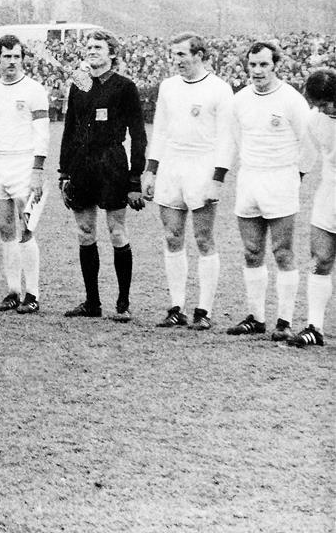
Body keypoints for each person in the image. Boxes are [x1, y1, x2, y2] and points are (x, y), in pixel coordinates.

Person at [141, 33, 235, 330]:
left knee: (204, 239)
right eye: (174, 55)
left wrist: (217, 179)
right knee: (172, 237)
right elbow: (161, 131)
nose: (177, 60)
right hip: (172, 165)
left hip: (203, 166)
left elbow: (226, 139)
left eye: (182, 54)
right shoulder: (168, 87)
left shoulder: (220, 89)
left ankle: (204, 309)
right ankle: (176, 306)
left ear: (199, 54)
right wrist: (150, 170)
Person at [225, 41, 314, 341]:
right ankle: (256, 317)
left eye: (264, 64)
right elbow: (236, 139)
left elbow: (309, 145)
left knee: (283, 252)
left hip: (281, 180)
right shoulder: (239, 101)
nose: (258, 71)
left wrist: (293, 177)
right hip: (249, 179)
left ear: (276, 65)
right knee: (251, 252)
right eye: (253, 65)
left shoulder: (291, 100)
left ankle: (284, 320)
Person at [59, 30, 147, 321]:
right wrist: (64, 173)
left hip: (112, 162)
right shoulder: (80, 83)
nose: (92, 50)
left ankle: (123, 304)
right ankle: (92, 303)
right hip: (82, 165)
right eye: (89, 46)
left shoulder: (125, 86)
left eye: (98, 47)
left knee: (116, 231)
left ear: (111, 53)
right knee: (85, 232)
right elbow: (69, 130)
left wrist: (135, 180)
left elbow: (138, 135)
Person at [0, 37, 46, 313]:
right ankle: (13, 290)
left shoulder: (35, 90)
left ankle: (33, 294)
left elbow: (42, 132)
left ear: (23, 58)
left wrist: (37, 168)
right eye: (6, 57)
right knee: (5, 229)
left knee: (27, 229)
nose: (11, 61)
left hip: (24, 164)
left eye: (15, 56)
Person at [290, 67, 336, 347]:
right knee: (320, 260)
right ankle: (314, 327)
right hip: (330, 191)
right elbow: (307, 156)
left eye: (328, 102)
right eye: (319, 104)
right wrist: (295, 181)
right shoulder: (314, 119)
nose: (324, 108)